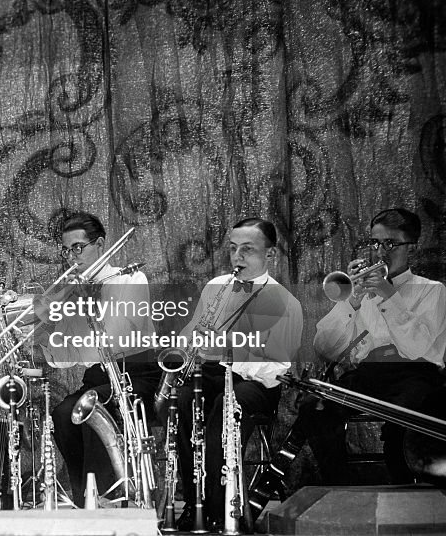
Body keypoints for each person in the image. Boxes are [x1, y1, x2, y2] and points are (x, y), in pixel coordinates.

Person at [174, 218, 302, 531]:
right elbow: (193, 330)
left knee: (226, 408)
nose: (237, 257)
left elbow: (275, 368)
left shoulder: (287, 303)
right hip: (218, 372)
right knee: (186, 401)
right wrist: (187, 346)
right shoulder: (217, 287)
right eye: (233, 249)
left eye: (247, 250)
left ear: (270, 255)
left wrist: (230, 349)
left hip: (257, 384)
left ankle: (220, 511)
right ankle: (194, 503)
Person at [301, 208, 446, 483]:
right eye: (375, 243)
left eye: (390, 244)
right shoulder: (362, 293)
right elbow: (324, 346)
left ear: (411, 250)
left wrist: (388, 295)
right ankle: (343, 487)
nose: (380, 252)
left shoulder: (432, 290)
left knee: (400, 427)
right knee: (315, 407)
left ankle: (403, 502)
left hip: (416, 374)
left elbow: (416, 349)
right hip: (370, 373)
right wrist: (351, 301)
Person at [45, 212, 161, 504]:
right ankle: (84, 495)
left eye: (78, 247)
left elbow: (118, 338)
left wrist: (84, 303)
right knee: (62, 414)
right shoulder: (72, 291)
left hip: (135, 375)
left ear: (100, 244)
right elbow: (62, 359)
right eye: (66, 249)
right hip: (98, 378)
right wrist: (46, 326)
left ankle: (109, 501)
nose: (71, 256)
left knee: (94, 402)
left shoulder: (130, 278)